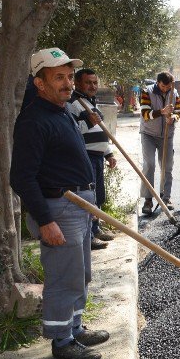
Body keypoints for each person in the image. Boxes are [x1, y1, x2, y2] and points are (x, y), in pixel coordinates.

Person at [10, 48, 110, 359]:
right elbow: (21, 178)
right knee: (63, 277)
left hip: (80, 204)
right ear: (39, 82)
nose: (67, 83)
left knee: (80, 274)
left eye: (69, 77)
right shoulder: (34, 120)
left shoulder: (61, 109)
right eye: (59, 77)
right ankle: (61, 340)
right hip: (59, 209)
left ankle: (75, 327)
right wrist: (44, 220)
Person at [69, 68, 117, 248]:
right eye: (88, 82)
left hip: (97, 156)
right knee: (88, 196)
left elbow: (100, 132)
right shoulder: (73, 103)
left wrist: (108, 153)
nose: (92, 86)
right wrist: (90, 120)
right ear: (78, 83)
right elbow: (73, 131)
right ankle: (89, 236)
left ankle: (96, 229)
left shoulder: (91, 103)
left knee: (98, 195)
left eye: (95, 83)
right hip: (85, 157)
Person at [138, 72, 180, 215]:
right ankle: (148, 200)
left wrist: (173, 118)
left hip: (167, 135)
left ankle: (166, 197)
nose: (165, 89)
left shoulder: (174, 92)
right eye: (163, 86)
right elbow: (145, 114)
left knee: (167, 166)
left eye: (168, 87)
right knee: (149, 164)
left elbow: (179, 111)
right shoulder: (146, 92)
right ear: (158, 83)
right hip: (149, 134)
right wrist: (162, 112)